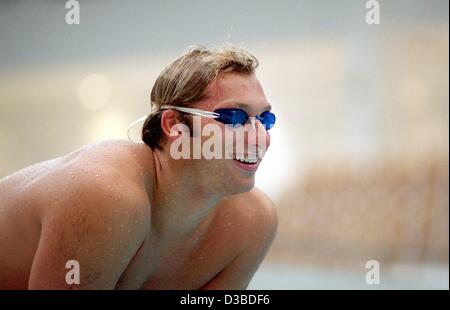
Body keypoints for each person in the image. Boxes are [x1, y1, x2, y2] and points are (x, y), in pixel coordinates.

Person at [0, 44, 278, 289]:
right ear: (174, 126)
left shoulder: (252, 223)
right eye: (233, 116)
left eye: (265, 119)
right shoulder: (107, 194)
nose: (259, 137)